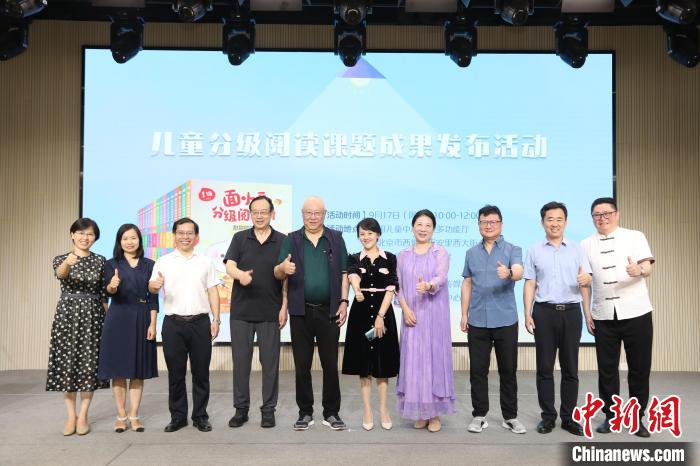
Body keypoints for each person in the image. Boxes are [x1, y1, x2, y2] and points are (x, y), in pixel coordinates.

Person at [581, 197, 655, 438]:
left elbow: (648, 267)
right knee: (607, 370)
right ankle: (611, 417)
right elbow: (585, 283)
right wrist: (587, 312)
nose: (602, 218)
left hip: (636, 312)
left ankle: (637, 418)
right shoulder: (585, 244)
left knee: (639, 368)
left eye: (607, 213)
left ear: (617, 214)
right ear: (592, 218)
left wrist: (639, 270)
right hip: (603, 314)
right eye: (597, 215)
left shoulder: (635, 236)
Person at [274, 196, 349, 431]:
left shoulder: (336, 238)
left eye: (317, 213)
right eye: (308, 213)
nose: (313, 217)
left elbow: (345, 273)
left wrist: (344, 302)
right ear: (302, 214)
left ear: (324, 214)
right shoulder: (292, 239)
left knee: (330, 364)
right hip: (300, 311)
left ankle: (331, 412)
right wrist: (282, 268)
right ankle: (305, 412)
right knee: (302, 365)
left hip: (329, 311)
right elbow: (278, 273)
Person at [523, 201, 592, 436]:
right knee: (544, 368)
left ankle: (568, 417)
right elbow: (530, 283)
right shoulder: (534, 250)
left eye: (559, 219)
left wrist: (587, 312)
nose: (554, 223)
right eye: (550, 219)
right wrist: (527, 313)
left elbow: (585, 282)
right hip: (544, 312)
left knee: (570, 368)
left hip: (571, 313)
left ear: (566, 222)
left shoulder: (577, 249)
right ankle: (548, 417)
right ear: (542, 222)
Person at [149, 217, 221, 433]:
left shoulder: (205, 261)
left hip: (200, 323)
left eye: (190, 233)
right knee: (175, 374)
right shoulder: (163, 261)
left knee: (201, 374)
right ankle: (178, 417)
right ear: (174, 235)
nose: (185, 237)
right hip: (173, 324)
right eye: (181, 233)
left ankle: (200, 416)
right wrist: (154, 286)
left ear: (196, 237)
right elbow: (152, 288)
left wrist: (216, 319)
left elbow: (213, 290)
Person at [460, 205, 526, 434]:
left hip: (505, 319)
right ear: (479, 224)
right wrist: (463, 314)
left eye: (493, 222)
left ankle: (510, 416)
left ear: (501, 224)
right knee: (478, 371)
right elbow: (467, 283)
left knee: (508, 371)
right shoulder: (471, 253)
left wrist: (509, 273)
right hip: (478, 319)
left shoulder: (512, 249)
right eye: (484, 222)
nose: (488, 226)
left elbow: (519, 271)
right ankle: (479, 415)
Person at [224, 195, 287, 429]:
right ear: (250, 214)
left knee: (270, 365)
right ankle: (241, 410)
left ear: (272, 214)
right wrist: (240, 275)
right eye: (255, 212)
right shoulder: (240, 238)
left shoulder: (282, 240)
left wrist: (284, 306)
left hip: (270, 310)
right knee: (241, 363)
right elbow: (229, 265)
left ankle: (268, 410)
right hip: (241, 311)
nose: (259, 216)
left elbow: (286, 278)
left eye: (264, 212)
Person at [47, 218, 109, 436]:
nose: (85, 237)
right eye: (81, 233)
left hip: (93, 316)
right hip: (67, 316)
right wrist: (68, 262)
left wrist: (108, 319)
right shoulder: (61, 259)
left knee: (89, 366)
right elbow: (61, 274)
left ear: (95, 238)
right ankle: (70, 416)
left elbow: (103, 294)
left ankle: (83, 415)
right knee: (68, 365)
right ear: (72, 235)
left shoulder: (101, 261)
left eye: (90, 234)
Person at [396, 209, 455, 433]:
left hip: (434, 315)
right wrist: (405, 309)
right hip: (411, 315)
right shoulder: (403, 255)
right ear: (413, 227)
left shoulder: (440, 252)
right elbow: (398, 286)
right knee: (414, 363)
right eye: (419, 224)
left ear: (433, 229)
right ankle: (421, 412)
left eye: (428, 225)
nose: (423, 229)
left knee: (433, 362)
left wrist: (428, 285)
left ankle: (434, 414)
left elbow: (442, 277)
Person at [97, 223, 158, 433]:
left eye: (133, 238)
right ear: (119, 241)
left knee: (138, 371)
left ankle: (134, 415)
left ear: (139, 240)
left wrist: (153, 323)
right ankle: (121, 416)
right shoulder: (111, 264)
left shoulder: (150, 264)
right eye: (125, 238)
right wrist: (112, 286)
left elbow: (153, 298)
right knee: (119, 371)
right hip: (118, 318)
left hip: (142, 316)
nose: (129, 242)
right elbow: (108, 292)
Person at [341, 218, 400, 431]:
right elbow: (353, 275)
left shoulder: (390, 258)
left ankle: (383, 410)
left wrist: (381, 316)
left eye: (370, 233)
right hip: (361, 314)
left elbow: (392, 286)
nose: (366, 237)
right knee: (363, 366)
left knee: (383, 366)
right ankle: (367, 410)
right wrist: (357, 290)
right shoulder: (353, 258)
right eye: (362, 234)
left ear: (378, 234)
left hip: (383, 314)